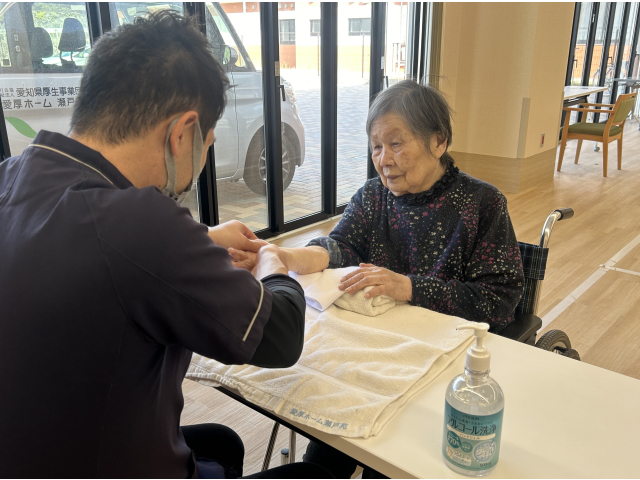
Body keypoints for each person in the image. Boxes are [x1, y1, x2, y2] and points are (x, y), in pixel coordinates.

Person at [0, 12, 330, 479]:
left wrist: (204, 239)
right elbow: (282, 336)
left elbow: (93, 254)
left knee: (219, 443)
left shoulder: (13, 176)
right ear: (182, 133)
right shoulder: (140, 222)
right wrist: (273, 260)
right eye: (206, 146)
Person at [230, 80, 525, 478]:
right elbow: (340, 247)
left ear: (439, 141)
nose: (383, 159)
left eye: (396, 144)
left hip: (443, 367)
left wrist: (408, 286)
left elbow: (499, 299)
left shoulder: (482, 204)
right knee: (331, 438)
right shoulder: (373, 196)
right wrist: (284, 256)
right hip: (374, 354)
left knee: (384, 462)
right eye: (376, 147)